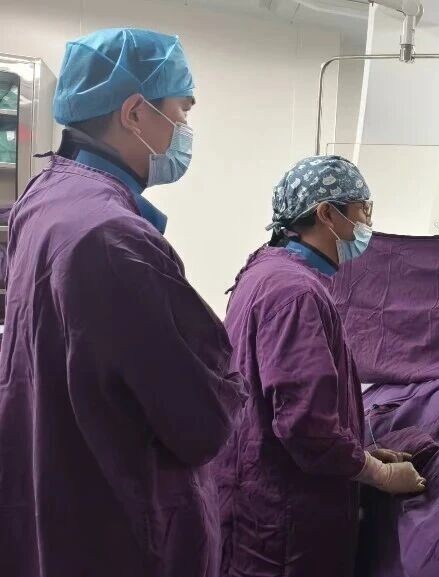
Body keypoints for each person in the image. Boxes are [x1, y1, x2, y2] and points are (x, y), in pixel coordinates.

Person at [0, 28, 244, 577]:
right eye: (181, 111)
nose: (185, 130)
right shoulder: (113, 238)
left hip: (55, 501)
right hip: (117, 531)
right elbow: (202, 421)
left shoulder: (44, 199)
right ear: (135, 113)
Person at [215, 155, 426, 577]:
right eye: (362, 209)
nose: (367, 222)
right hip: (284, 526)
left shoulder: (265, 271)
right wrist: (379, 474)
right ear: (327, 214)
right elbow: (305, 425)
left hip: (260, 496)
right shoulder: (295, 293)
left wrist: (358, 453)